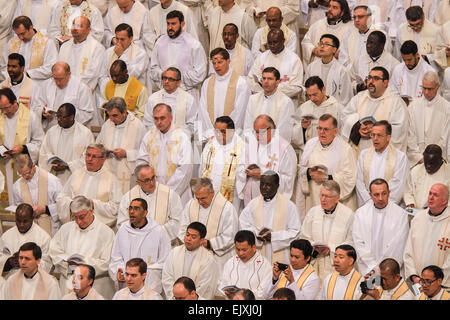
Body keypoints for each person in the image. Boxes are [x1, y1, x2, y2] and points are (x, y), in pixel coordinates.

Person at [49, 195, 116, 299]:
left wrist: (83, 263)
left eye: (82, 217)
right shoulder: (66, 229)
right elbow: (54, 252)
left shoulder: (106, 233)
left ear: (91, 211)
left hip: (95, 287)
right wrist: (67, 265)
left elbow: (106, 262)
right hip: (68, 282)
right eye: (75, 217)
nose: (79, 221)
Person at [341, 66, 410, 153]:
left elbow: (400, 131)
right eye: (369, 78)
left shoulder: (396, 103)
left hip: (383, 158)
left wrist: (377, 131)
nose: (371, 81)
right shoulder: (359, 98)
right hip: (358, 153)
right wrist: (357, 127)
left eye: (376, 78)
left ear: (385, 83)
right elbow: (344, 117)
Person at [109, 198, 171, 294]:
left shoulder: (158, 231)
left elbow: (165, 261)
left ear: (145, 212)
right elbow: (115, 257)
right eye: (130, 208)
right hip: (126, 285)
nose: (132, 212)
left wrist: (144, 274)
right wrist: (119, 271)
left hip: (149, 286)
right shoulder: (123, 230)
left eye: (136, 209)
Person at [299, 114, 357, 213]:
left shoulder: (345, 149)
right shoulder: (311, 144)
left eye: (326, 129)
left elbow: (349, 178)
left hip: (336, 203)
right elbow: (301, 168)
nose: (321, 132)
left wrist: (327, 178)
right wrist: (309, 173)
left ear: (335, 131)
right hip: (313, 199)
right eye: (319, 128)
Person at [136, 103, 193, 205]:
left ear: (171, 118)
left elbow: (185, 169)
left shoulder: (182, 138)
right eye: (156, 118)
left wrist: (167, 192)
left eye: (162, 118)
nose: (159, 122)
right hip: (152, 190)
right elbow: (141, 161)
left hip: (178, 193)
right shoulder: (149, 136)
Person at [239, 171, 301, 265]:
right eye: (262, 184)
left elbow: (296, 232)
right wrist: (256, 234)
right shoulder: (253, 204)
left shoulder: (289, 206)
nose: (264, 188)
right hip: (257, 255)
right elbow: (243, 224)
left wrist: (274, 236)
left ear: (277, 186)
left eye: (268, 185)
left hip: (280, 255)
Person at [56, 143, 122, 229]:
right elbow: (61, 198)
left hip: (97, 230)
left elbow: (116, 207)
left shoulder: (111, 179)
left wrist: (94, 204)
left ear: (103, 159)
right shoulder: (76, 174)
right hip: (75, 226)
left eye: (94, 156)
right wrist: (72, 204)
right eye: (88, 155)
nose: (89, 159)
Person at [299, 180, 354, 283]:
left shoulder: (348, 215)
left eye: (327, 196)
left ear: (337, 198)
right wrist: (313, 247)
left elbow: (351, 242)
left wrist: (331, 249)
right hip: (314, 265)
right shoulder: (313, 212)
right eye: (322, 195)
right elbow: (304, 237)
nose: (323, 200)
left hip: (336, 267)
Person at [352, 178, 409, 276]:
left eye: (384, 193)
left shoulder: (400, 214)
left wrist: (383, 267)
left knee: (389, 291)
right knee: (369, 290)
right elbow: (358, 242)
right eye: (376, 194)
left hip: (390, 269)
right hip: (367, 268)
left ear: (389, 193)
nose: (381, 198)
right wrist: (373, 266)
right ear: (370, 195)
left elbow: (399, 244)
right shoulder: (360, 214)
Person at [178, 178, 239, 267]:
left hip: (217, 260)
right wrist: (190, 241)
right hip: (193, 257)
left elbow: (230, 236)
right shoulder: (191, 205)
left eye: (203, 198)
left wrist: (209, 243)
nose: (200, 202)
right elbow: (182, 229)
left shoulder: (227, 208)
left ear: (212, 193)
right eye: (197, 198)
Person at [117, 165, 182, 245]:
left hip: (162, 244)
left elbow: (177, 221)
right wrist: (139, 234)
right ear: (138, 182)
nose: (151, 183)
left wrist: (155, 233)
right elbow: (122, 223)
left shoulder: (170, 195)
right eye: (147, 180)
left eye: (153, 178)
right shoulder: (128, 197)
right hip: (136, 244)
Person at [0, 88, 44, 206]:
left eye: (6, 108)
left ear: (15, 103)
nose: (4, 112)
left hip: (22, 168)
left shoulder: (31, 117)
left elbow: (40, 142)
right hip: (3, 166)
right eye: (1, 108)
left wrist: (23, 148)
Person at [150, 10, 207, 100]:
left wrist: (177, 80)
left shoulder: (193, 45)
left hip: (187, 93)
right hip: (165, 93)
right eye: (168, 24)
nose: (170, 27)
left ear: (182, 24)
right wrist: (165, 77)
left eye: (173, 24)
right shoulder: (159, 43)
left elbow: (200, 73)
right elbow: (153, 68)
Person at [96, 97, 147, 193]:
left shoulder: (138, 126)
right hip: (108, 171)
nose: (111, 119)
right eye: (109, 115)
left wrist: (126, 153)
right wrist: (103, 151)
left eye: (115, 115)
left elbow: (145, 154)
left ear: (124, 112)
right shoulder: (107, 124)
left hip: (128, 174)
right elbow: (98, 144)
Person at [403, 183, 450, 287]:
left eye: (436, 195)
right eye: (430, 193)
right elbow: (408, 252)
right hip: (417, 284)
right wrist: (414, 276)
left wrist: (436, 281)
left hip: (442, 286)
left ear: (445, 201)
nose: (431, 198)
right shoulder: (418, 219)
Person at [243, 115, 297, 204]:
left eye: (261, 131)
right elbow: (240, 167)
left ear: (272, 129)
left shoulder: (285, 149)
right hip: (252, 199)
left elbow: (289, 180)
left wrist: (263, 174)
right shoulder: (251, 145)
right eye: (255, 132)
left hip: (274, 202)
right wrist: (245, 171)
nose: (257, 135)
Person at [198, 47, 250, 138]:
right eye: (214, 63)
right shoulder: (207, 83)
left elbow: (240, 112)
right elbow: (203, 110)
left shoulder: (240, 83)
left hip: (232, 135)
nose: (216, 66)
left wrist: (226, 132)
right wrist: (212, 133)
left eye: (220, 62)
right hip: (212, 136)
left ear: (228, 61)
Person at [355, 121, 409, 207]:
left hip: (389, 207)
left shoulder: (400, 157)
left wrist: (382, 203)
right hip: (367, 206)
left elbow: (398, 184)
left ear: (388, 137)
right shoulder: (364, 155)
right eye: (373, 135)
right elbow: (359, 182)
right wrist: (369, 202)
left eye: (379, 135)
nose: (375, 139)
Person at [38, 103, 94, 184]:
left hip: (74, 179)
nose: (59, 119)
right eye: (58, 116)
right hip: (54, 176)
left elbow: (88, 158)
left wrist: (68, 165)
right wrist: (51, 163)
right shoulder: (51, 132)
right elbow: (43, 153)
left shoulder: (85, 134)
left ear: (71, 117)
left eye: (62, 117)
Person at [162, 222, 220, 300]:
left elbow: (206, 286)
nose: (188, 239)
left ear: (201, 240)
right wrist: (176, 297)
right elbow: (167, 277)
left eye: (193, 236)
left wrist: (189, 297)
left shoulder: (208, 259)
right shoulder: (175, 252)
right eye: (187, 235)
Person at [199, 116, 246, 213]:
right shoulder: (210, 144)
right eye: (216, 131)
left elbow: (242, 175)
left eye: (223, 132)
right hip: (209, 195)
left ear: (232, 131)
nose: (219, 135)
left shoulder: (241, 147)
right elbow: (202, 168)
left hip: (230, 197)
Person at [34, 62, 95, 132]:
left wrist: (68, 118)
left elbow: (88, 113)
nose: (58, 83)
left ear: (69, 74)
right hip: (50, 130)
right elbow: (36, 106)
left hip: (72, 131)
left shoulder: (81, 87)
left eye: (60, 79)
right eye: (55, 79)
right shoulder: (46, 85)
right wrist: (42, 113)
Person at [12, 153, 63, 235]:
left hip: (50, 229)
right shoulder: (17, 186)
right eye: (22, 174)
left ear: (33, 166)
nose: (26, 177)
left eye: (28, 172)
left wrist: (45, 209)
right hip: (29, 232)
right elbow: (17, 207)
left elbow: (63, 206)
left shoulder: (52, 181)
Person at [247, 29, 303, 100]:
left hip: (285, 102)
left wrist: (272, 90)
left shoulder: (294, 60)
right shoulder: (261, 57)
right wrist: (264, 92)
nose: (272, 45)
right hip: (263, 100)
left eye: (275, 42)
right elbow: (251, 79)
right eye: (269, 43)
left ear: (283, 41)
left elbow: (297, 87)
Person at [291, 76, 343, 152]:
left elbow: (342, 133)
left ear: (323, 90)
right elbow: (293, 135)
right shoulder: (304, 108)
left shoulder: (337, 108)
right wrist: (302, 127)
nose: (312, 99)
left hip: (331, 151)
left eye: (315, 94)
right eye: (309, 95)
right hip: (310, 152)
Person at [244, 67, 294, 142]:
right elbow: (247, 127)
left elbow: (284, 131)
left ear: (278, 82)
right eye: (264, 78)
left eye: (270, 79)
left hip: (275, 147)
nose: (266, 82)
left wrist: (267, 145)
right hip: (254, 145)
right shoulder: (253, 99)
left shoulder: (286, 102)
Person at [218, 230, 272, 300]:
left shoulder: (265, 265)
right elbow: (222, 284)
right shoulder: (231, 262)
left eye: (244, 250)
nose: (240, 253)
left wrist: (243, 297)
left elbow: (265, 293)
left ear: (254, 247)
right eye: (238, 249)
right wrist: (226, 292)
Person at [0, 204, 52, 276]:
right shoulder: (6, 236)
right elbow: (1, 257)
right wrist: (9, 262)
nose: (21, 224)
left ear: (32, 218)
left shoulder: (44, 238)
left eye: (25, 221)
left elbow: (47, 265)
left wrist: (29, 262)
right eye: (18, 221)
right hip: (10, 281)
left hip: (33, 283)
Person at [1, 16, 57, 81]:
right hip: (14, 85)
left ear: (30, 28)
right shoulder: (11, 43)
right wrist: (11, 78)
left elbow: (51, 67)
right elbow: (4, 66)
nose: (21, 38)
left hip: (37, 85)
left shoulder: (47, 43)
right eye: (17, 34)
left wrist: (27, 74)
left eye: (22, 33)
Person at [144, 67, 196, 138]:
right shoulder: (153, 98)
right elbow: (148, 122)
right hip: (157, 140)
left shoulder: (188, 99)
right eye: (164, 78)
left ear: (178, 82)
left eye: (171, 79)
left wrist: (175, 135)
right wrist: (161, 134)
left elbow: (192, 124)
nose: (166, 81)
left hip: (179, 142)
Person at [58, 16, 106, 91]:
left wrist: (71, 85)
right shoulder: (64, 46)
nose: (75, 29)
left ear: (88, 30)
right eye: (73, 25)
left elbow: (93, 74)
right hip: (64, 90)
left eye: (79, 26)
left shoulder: (97, 48)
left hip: (83, 91)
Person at [408, 71, 450, 155]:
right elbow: (410, 134)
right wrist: (418, 156)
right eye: (424, 88)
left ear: (437, 87)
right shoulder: (413, 106)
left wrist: (435, 156)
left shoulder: (447, 108)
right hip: (417, 157)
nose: (426, 92)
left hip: (438, 158)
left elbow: (446, 137)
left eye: (430, 89)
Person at [301, 0, 353, 64]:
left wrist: (341, 55)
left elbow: (352, 50)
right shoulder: (318, 24)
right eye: (329, 6)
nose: (330, 9)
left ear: (342, 12)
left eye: (335, 7)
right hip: (317, 67)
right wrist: (313, 50)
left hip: (338, 69)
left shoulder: (349, 28)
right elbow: (306, 42)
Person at [305, 34, 352, 105]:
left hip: (333, 110)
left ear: (334, 49)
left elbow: (346, 99)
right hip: (314, 107)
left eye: (326, 44)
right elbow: (306, 90)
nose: (322, 46)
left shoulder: (342, 71)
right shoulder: (311, 67)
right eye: (321, 43)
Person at [101, 23, 149, 89]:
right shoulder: (109, 52)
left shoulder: (140, 54)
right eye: (117, 39)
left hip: (132, 92)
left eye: (122, 39)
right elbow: (102, 76)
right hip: (111, 92)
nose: (119, 42)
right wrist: (109, 89)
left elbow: (133, 75)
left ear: (131, 38)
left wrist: (121, 55)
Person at [404, 145, 450, 209]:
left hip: (440, 216)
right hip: (416, 213)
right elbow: (408, 191)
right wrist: (410, 203)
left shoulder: (448, 172)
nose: (428, 166)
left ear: (440, 160)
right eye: (426, 163)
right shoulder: (416, 170)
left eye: (431, 163)